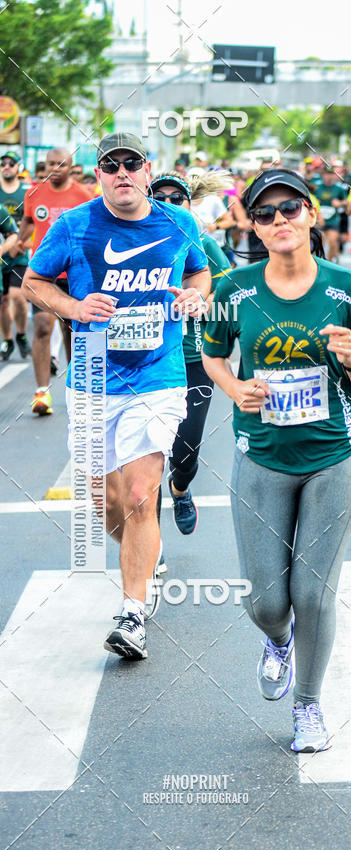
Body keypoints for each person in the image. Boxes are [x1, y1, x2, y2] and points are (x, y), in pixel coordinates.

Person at [201, 168, 351, 753]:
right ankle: (277, 639)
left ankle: (308, 705)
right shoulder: (233, 289)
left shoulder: (348, 288)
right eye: (264, 213)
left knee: (313, 594)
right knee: (266, 602)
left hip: (334, 455)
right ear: (252, 226)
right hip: (261, 454)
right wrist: (235, 389)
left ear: (311, 214)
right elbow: (212, 356)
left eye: (289, 208)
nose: (278, 220)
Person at [23, 132, 211, 659]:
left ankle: (132, 613)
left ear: (147, 170)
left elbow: (200, 271)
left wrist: (195, 295)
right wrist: (75, 307)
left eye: (132, 163)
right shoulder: (74, 224)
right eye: (111, 165)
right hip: (91, 377)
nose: (122, 172)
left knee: (139, 495)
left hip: (157, 376)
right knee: (104, 500)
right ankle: (145, 554)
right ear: (99, 174)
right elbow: (34, 282)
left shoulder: (178, 221)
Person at [149, 170, 232, 534]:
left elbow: (229, 295)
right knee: (147, 455)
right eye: (159, 198)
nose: (168, 204)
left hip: (193, 358)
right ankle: (150, 545)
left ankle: (180, 488)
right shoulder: (132, 242)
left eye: (176, 199)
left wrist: (201, 301)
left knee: (185, 450)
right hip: (147, 361)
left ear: (189, 204)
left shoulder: (203, 243)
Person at [17, 146, 91, 415]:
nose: (55, 169)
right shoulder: (33, 193)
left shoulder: (84, 196)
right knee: (41, 328)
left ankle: (76, 390)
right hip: (43, 276)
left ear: (71, 167)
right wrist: (20, 240)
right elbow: (28, 222)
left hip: (73, 276)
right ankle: (41, 392)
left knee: (72, 333)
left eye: (61, 164)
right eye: (50, 164)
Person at [0, 151, 31, 360]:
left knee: (17, 297)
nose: (6, 166)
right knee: (3, 301)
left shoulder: (26, 192)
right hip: (2, 252)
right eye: (3, 163)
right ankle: (7, 340)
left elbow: (33, 221)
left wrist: (22, 243)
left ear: (18, 166)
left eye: (11, 163)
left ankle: (21, 334)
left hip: (19, 251)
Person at [312, 164, 347, 261]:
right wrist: (315, 202)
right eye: (327, 174)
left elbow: (346, 202)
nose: (329, 176)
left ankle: (330, 262)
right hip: (320, 220)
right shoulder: (316, 186)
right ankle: (319, 261)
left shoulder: (339, 188)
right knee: (320, 241)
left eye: (331, 174)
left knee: (333, 242)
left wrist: (339, 203)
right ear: (323, 174)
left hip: (333, 220)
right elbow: (308, 198)